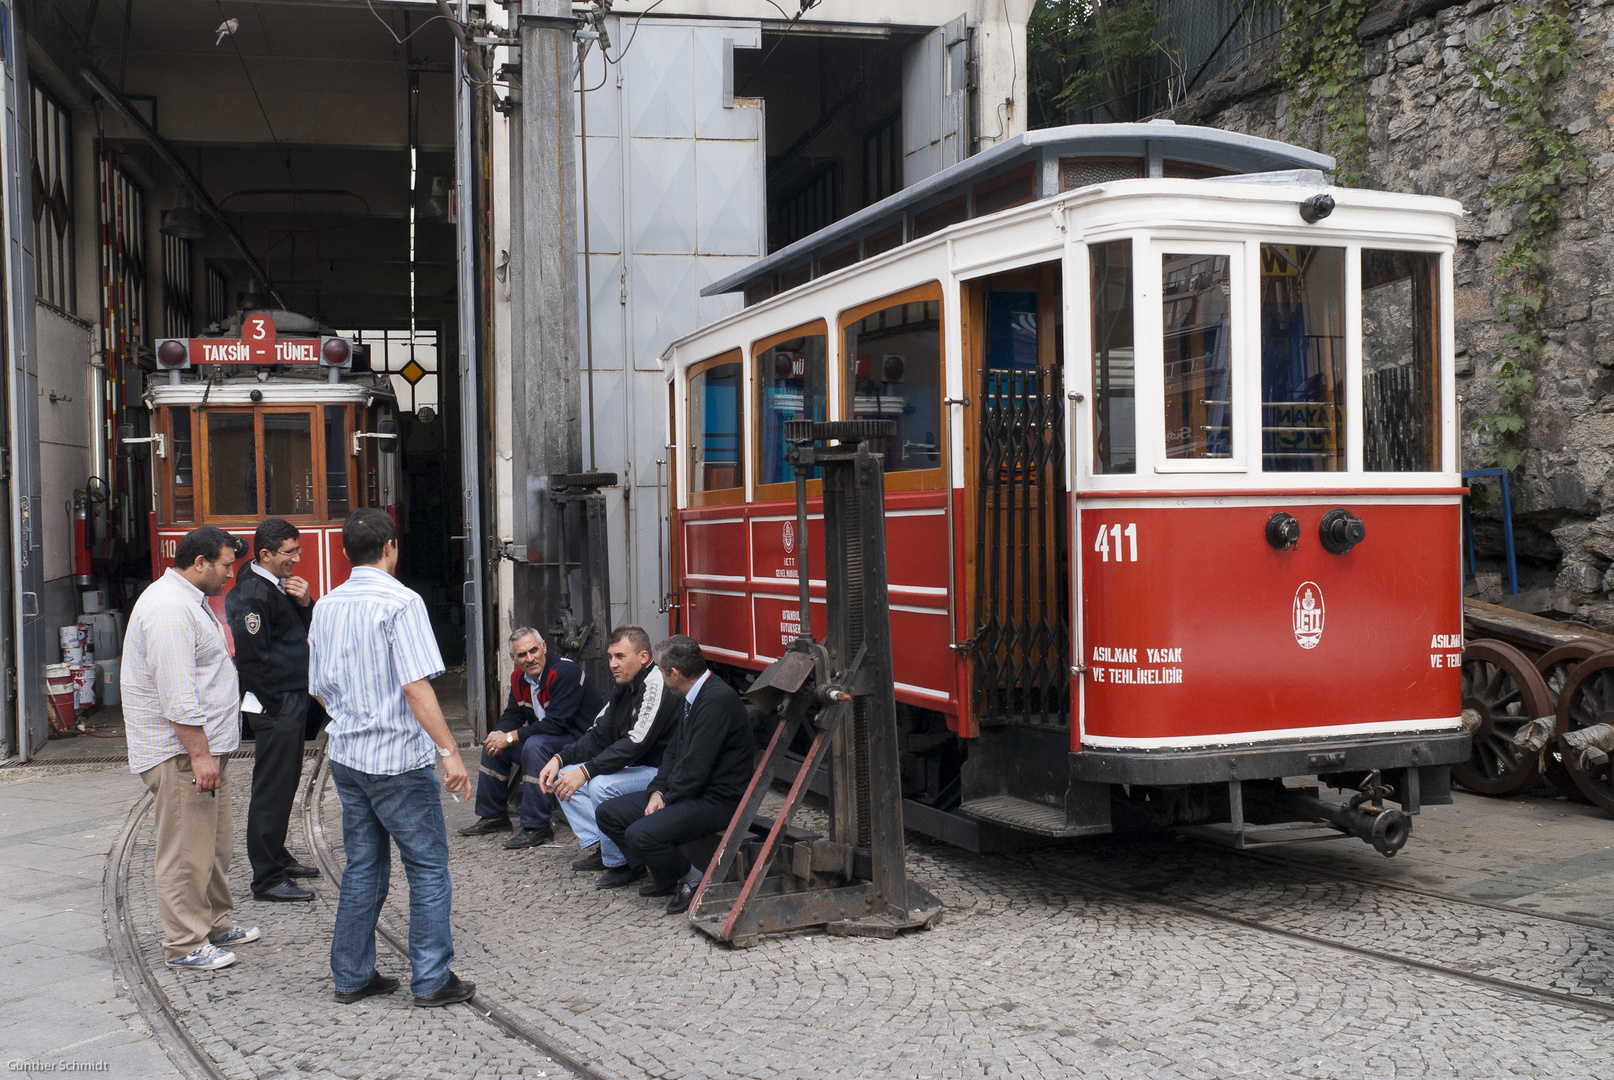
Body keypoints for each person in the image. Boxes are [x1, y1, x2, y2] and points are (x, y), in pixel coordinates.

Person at [308, 508, 474, 1007]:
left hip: (349, 755)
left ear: (345, 552)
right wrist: (450, 752)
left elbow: (316, 689)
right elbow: (415, 686)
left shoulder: (327, 605)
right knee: (427, 868)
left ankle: (352, 976)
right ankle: (430, 979)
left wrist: (352, 716)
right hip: (398, 760)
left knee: (362, 868)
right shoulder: (402, 602)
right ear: (391, 547)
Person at [124, 526, 258, 971]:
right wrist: (199, 755)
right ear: (199, 563)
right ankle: (184, 943)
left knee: (212, 844)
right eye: (225, 565)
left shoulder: (188, 601)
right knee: (185, 849)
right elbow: (177, 692)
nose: (230, 575)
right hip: (182, 754)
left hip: (202, 749)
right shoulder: (168, 608)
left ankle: (214, 922)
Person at [595, 635, 755, 915]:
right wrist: (657, 791)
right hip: (694, 792)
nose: (656, 674)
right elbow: (673, 753)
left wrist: (665, 800)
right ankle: (666, 875)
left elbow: (694, 770)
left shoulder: (715, 701)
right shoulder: (691, 694)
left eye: (659, 669)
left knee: (639, 834)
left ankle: (692, 879)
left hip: (718, 801)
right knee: (608, 813)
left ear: (675, 674)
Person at [534, 626, 682, 884]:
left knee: (599, 785)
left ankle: (624, 862)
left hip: (664, 773)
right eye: (610, 657)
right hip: (637, 769)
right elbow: (598, 733)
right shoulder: (624, 686)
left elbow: (636, 742)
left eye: (620, 657)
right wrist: (559, 758)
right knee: (564, 777)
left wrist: (587, 771)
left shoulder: (656, 683)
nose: (613, 664)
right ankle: (605, 846)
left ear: (644, 657)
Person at [225, 517, 319, 903]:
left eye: (297, 550)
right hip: (276, 702)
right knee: (272, 790)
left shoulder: (272, 586)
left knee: (286, 783)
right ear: (265, 554)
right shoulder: (252, 594)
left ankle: (277, 856)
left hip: (289, 697)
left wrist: (305, 603)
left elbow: (294, 637)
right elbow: (252, 658)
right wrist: (276, 704)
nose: (296, 559)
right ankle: (266, 877)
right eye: (289, 552)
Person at [457, 629, 603, 849]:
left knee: (534, 747)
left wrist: (510, 737)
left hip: (581, 739)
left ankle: (537, 826)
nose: (530, 658)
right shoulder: (518, 677)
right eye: (522, 654)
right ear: (513, 658)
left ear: (543, 646)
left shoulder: (564, 671)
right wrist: (499, 736)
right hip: (552, 738)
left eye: (533, 650)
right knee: (493, 742)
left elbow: (557, 723)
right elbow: (513, 714)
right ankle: (493, 816)